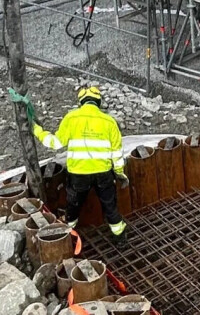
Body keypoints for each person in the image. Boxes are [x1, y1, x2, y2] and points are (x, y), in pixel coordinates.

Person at [33, 86, 128, 243]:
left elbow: (55, 143)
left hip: (78, 174)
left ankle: (70, 235)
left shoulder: (71, 118)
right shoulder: (109, 121)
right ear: (98, 102)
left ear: (81, 102)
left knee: (73, 206)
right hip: (103, 173)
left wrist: (37, 130)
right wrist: (119, 173)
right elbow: (117, 153)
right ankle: (120, 237)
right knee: (110, 206)